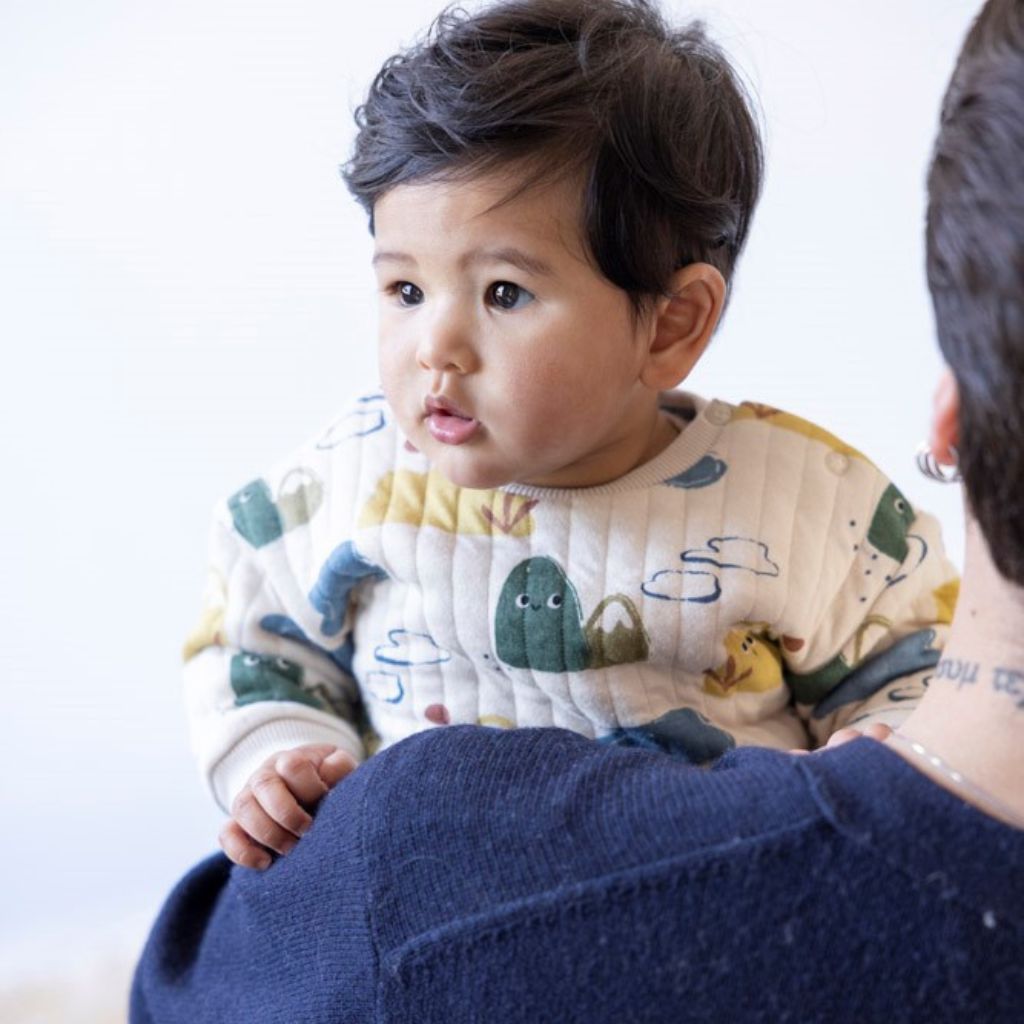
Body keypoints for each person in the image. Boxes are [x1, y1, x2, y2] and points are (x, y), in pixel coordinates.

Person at [131, 0, 1024, 1020]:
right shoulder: (336, 488)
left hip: (714, 932)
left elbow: (910, 669)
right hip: (455, 947)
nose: (436, 348)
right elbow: (255, 634)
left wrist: (856, 771)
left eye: (503, 293)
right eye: (404, 290)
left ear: (672, 325)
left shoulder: (800, 501)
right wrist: (271, 755)